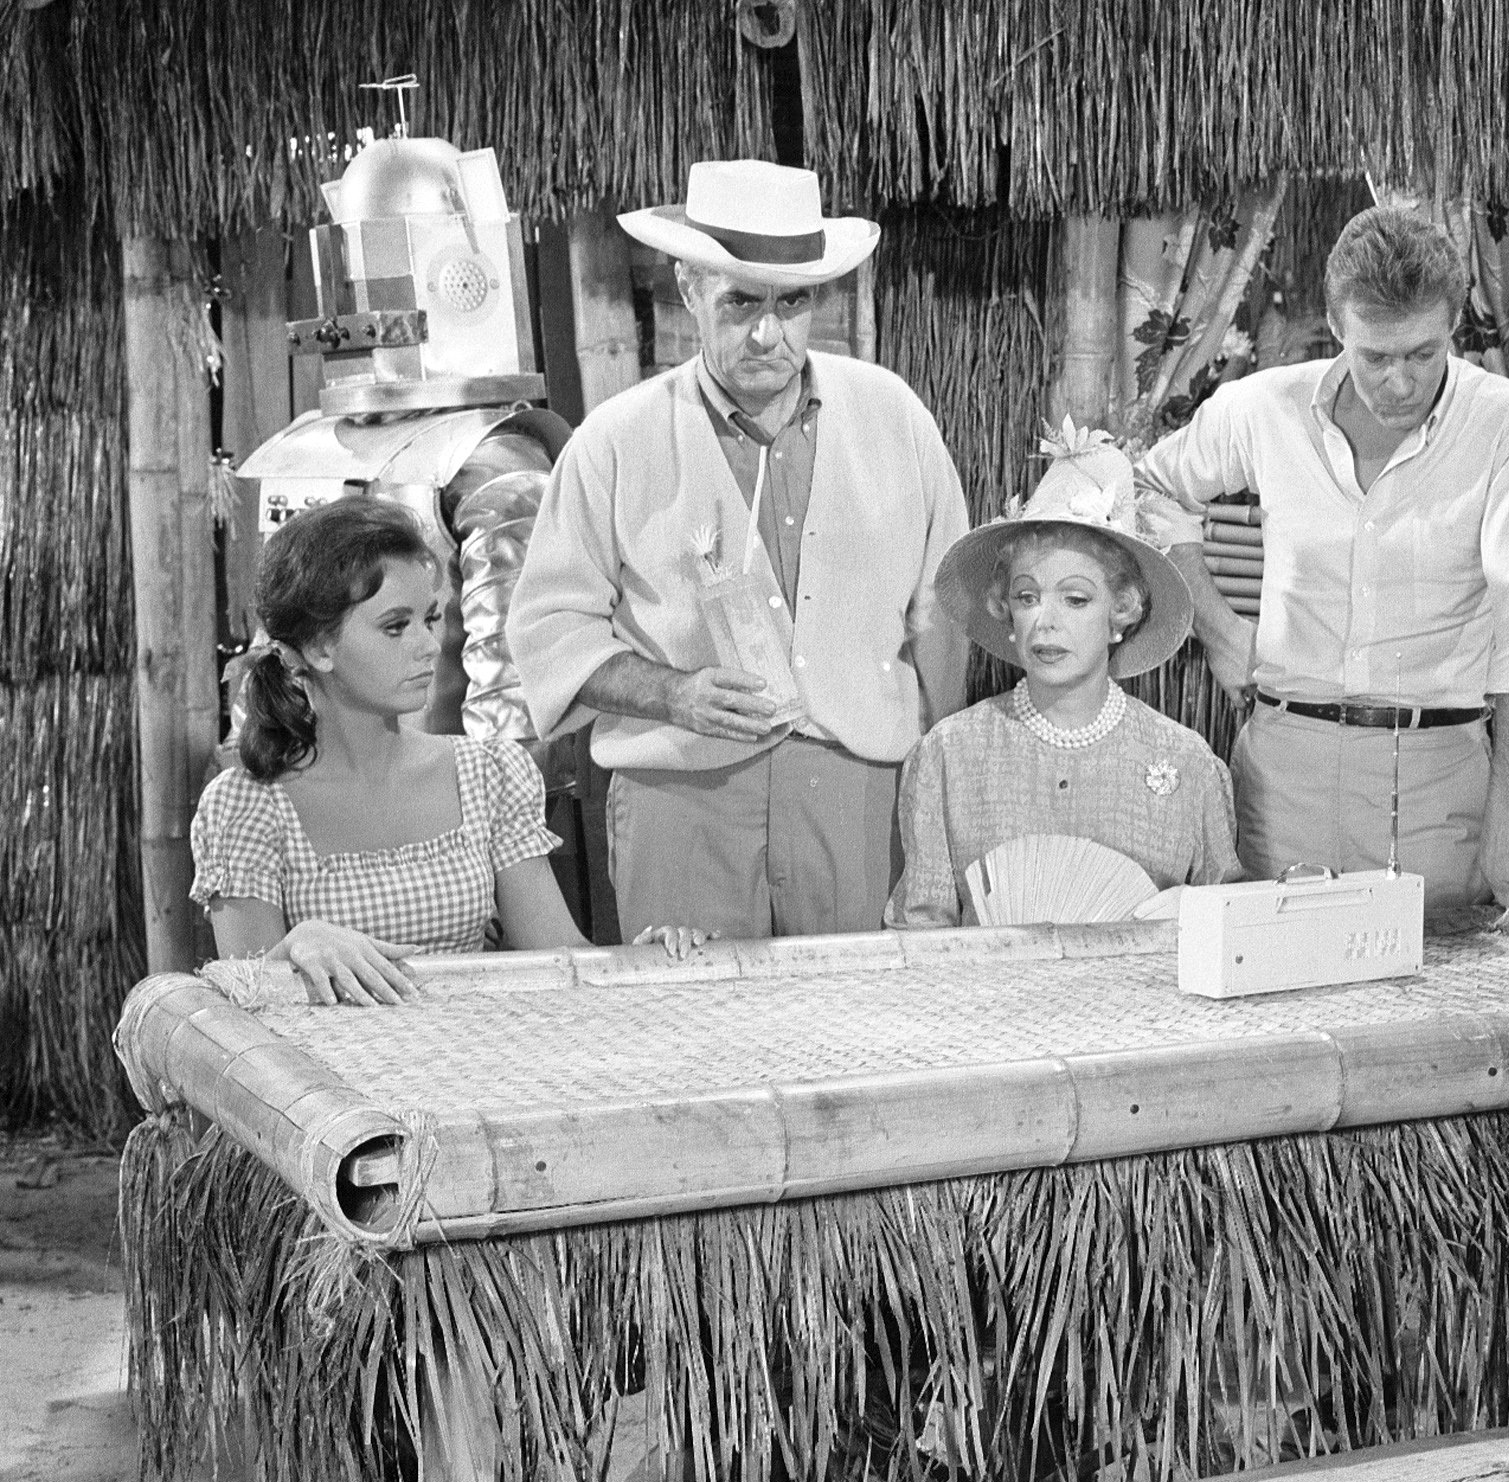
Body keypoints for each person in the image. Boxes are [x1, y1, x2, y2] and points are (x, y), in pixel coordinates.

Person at [509, 159, 971, 939]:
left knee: (863, 1034)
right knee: (688, 1040)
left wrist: (937, 776)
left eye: (791, 303)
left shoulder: (892, 414)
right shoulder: (616, 441)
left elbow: (944, 606)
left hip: (860, 787)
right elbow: (551, 628)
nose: (768, 333)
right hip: (680, 796)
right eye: (740, 303)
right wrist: (674, 694)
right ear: (688, 289)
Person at [1136, 205, 1509, 910]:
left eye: (1423, 354)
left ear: (1455, 325)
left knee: (1432, 1007)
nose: (1399, 383)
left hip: (1438, 777)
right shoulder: (1261, 408)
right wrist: (1220, 629)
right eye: (1375, 357)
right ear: (1337, 328)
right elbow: (1144, 487)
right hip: (1281, 770)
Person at [191, 497, 691, 1004]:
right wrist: (295, 948)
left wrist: (648, 959)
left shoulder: (486, 773)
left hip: (472, 1065)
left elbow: (560, 961)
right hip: (328, 1075)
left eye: (429, 619)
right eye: (395, 626)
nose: (428, 645)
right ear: (320, 648)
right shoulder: (247, 808)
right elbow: (245, 1010)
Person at [886, 429, 1239, 926]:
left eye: (1075, 599)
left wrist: (1199, 912)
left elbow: (1229, 924)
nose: (1045, 622)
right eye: (1027, 597)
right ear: (1006, 612)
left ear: (1121, 612)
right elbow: (921, 928)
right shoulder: (948, 755)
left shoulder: (1188, 761)